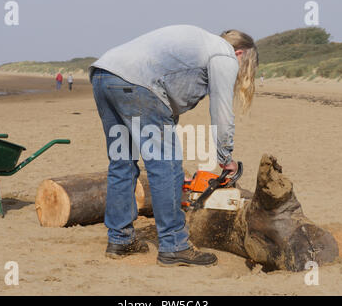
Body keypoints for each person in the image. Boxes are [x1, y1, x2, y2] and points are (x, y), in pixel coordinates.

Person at [89, 25, 258, 267]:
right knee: (166, 166)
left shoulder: (198, 44)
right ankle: (174, 245)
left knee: (122, 162)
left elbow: (171, 93)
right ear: (240, 54)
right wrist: (225, 156)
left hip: (104, 75)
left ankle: (120, 239)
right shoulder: (224, 53)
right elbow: (221, 111)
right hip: (137, 84)